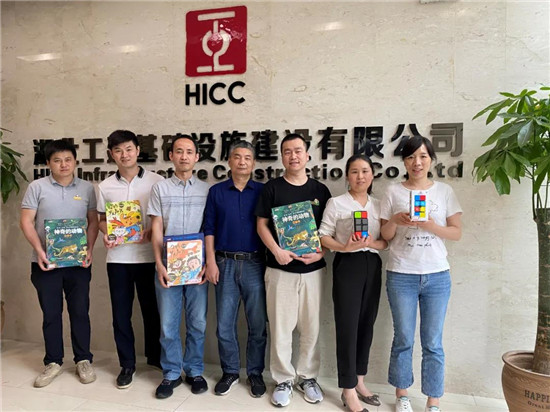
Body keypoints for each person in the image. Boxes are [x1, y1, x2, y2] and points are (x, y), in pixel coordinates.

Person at [379, 136, 462, 412]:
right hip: (401, 274)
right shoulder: (393, 192)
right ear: (404, 161)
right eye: (411, 157)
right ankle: (402, 395)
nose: (417, 162)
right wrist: (395, 220)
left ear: (431, 160)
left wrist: (429, 225)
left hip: (437, 275)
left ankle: (433, 400)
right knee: (403, 338)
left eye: (423, 156)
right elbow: (385, 236)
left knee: (433, 342)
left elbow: (456, 232)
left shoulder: (445, 191)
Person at [255, 133, 331, 407]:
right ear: (282, 157)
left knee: (311, 327)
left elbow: (329, 230)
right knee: (281, 328)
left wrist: (322, 252)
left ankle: (307, 377)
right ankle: (283, 379)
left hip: (313, 271)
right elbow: (261, 225)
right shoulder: (272, 188)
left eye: (298, 150)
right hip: (280, 270)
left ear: (307, 155)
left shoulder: (320, 191)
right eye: (287, 151)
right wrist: (276, 249)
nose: (293, 156)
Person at [20, 139, 99, 388]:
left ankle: (83, 360)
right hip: (46, 263)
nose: (63, 164)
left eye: (68, 159)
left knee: (80, 311)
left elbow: (93, 222)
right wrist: (39, 251)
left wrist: (89, 249)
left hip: (78, 263)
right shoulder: (37, 187)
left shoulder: (87, 188)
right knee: (51, 313)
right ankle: (53, 361)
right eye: (57, 160)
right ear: (48, 163)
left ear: (75, 161)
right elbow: (26, 221)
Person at [319, 155, 387, 412]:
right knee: (347, 325)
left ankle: (359, 381)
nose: (360, 176)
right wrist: (344, 247)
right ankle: (348, 390)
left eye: (365, 171)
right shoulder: (336, 203)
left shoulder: (379, 205)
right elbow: (323, 235)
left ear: (372, 175)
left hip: (373, 264)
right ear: (347, 176)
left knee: (366, 324)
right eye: (355, 171)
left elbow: (385, 242)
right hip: (347, 265)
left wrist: (372, 243)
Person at [97, 130, 163, 389]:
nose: (124, 155)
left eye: (128, 149)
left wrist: (152, 231)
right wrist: (107, 233)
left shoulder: (157, 181)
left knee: (153, 311)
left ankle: (156, 357)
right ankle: (127, 364)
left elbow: (163, 218)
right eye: (118, 151)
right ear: (111, 155)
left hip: (150, 257)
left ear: (137, 150)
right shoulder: (105, 186)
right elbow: (101, 219)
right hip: (118, 259)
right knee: (121, 314)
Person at [204, 141, 268, 398]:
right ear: (229, 161)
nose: (242, 162)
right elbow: (209, 228)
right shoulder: (216, 192)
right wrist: (210, 261)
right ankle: (230, 371)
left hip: (255, 263)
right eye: (237, 157)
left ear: (253, 163)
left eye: (247, 158)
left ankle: (255, 373)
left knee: (257, 324)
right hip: (224, 263)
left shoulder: (263, 191)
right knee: (224, 324)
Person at [148, 135, 210, 399]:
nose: (184, 156)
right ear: (171, 155)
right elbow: (156, 228)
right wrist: (159, 263)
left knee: (198, 322)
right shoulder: (160, 189)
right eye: (179, 151)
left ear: (197, 157)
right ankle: (172, 372)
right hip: (168, 267)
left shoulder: (207, 190)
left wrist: (207, 263)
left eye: (189, 152)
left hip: (197, 267)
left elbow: (210, 230)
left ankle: (194, 370)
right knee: (168, 324)